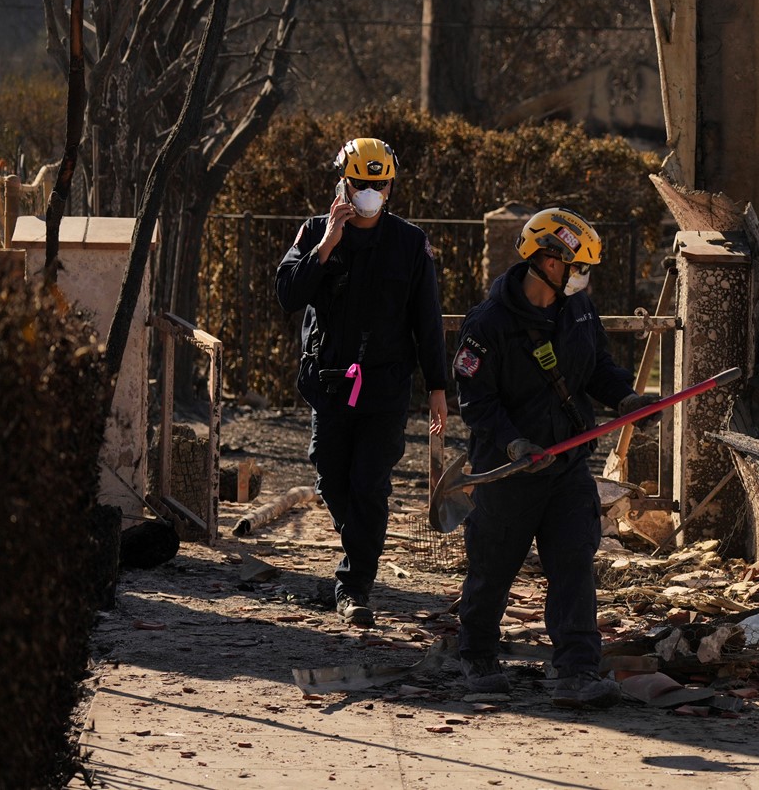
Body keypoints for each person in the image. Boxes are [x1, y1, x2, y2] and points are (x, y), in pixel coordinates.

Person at [451, 207, 655, 708]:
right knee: (493, 567)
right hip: (509, 471)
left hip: (567, 468)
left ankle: (577, 671)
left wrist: (626, 400)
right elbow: (476, 401)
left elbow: (597, 367)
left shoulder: (578, 308)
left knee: (573, 563)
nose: (582, 276)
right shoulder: (488, 324)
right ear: (546, 261)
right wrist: (514, 443)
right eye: (576, 266)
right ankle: (477, 654)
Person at [276, 138, 448, 627]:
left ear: (391, 186)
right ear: (342, 184)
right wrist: (327, 244)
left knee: (370, 486)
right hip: (327, 385)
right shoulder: (314, 232)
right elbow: (288, 294)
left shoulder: (410, 243)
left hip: (385, 390)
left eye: (379, 184)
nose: (371, 192)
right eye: (360, 184)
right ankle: (362, 544)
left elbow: (427, 319)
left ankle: (354, 587)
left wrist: (438, 388)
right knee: (332, 478)